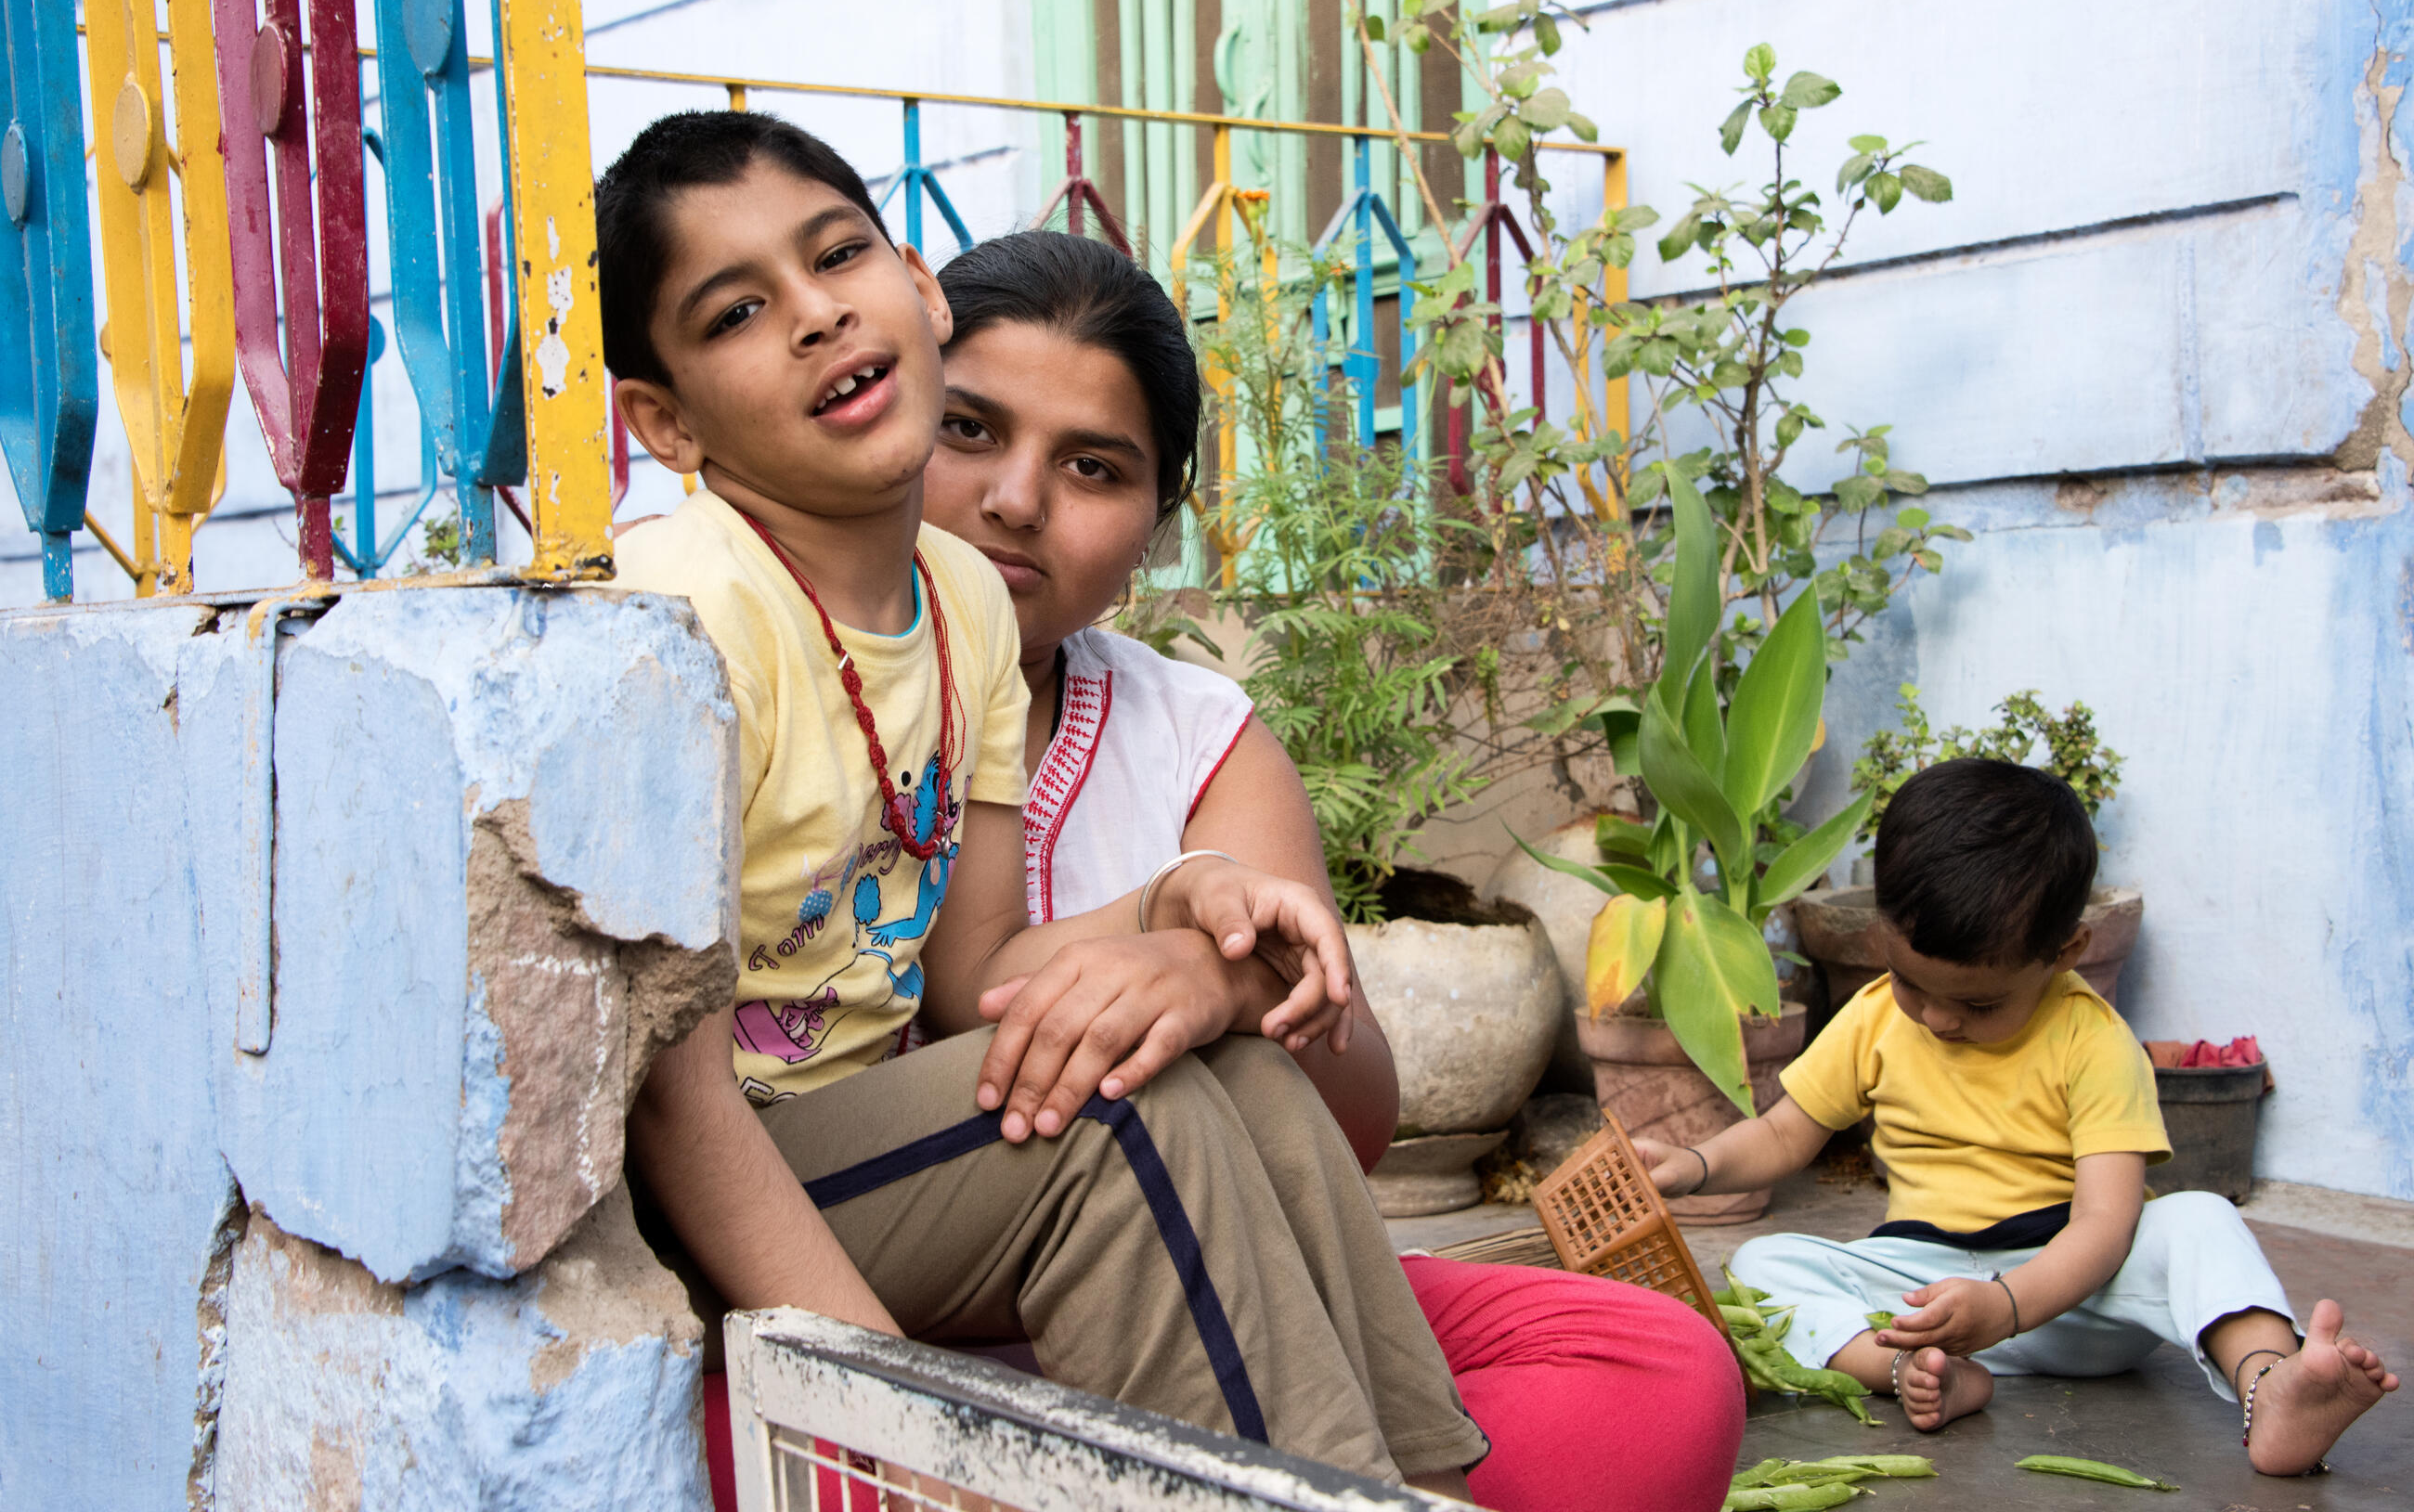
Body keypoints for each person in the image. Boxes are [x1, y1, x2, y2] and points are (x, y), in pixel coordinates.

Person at [598, 111, 1488, 1497]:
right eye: (736, 313)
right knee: (1115, 1118)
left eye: (836, 256)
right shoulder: (679, 616)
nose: (815, 314)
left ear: (919, 289)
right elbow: (670, 1104)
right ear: (665, 421)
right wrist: (896, 1419)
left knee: (1230, 1072)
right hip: (693, 1200)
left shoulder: (956, 602)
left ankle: (1418, 1483)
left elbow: (977, 974)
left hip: (870, 1148)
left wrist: (1179, 906)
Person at [922, 227, 1746, 1512]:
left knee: (1657, 1371)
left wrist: (1225, 982)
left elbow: (1355, 1124)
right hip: (907, 1297)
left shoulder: (1193, 732)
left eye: (1093, 467)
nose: (1017, 498)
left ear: (1157, 525)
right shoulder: (788, 681)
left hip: (1231, 1267)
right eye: (968, 429)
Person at [1638, 758, 2396, 1475]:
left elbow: (2105, 1226)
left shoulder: (2093, 1043)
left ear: (2066, 951)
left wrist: (2006, 1306)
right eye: (1909, 982)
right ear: (1881, 935)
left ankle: (2271, 1385)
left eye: (1978, 1003)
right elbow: (1782, 1133)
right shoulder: (1872, 1018)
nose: (1938, 1018)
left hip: (2074, 1294)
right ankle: (1913, 1370)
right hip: (1923, 1290)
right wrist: (1696, 1165)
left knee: (2201, 1221)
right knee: (1762, 1265)